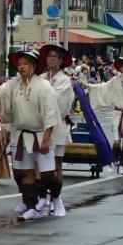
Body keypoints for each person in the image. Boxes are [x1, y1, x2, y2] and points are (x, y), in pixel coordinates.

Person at [0, 50, 60, 221]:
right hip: (20, 135)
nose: (21, 67)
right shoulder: (14, 84)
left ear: (34, 66)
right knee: (23, 173)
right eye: (19, 64)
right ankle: (30, 206)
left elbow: (51, 113)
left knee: (48, 175)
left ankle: (56, 198)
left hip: (41, 134)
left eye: (25, 64)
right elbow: (2, 92)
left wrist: (46, 138)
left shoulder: (44, 86)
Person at [37, 43, 75, 217]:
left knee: (56, 166)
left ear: (60, 61)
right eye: (49, 55)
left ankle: (56, 198)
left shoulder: (64, 80)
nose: (51, 58)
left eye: (55, 56)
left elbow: (59, 103)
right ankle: (42, 197)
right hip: (39, 126)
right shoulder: (40, 77)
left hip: (57, 127)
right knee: (39, 166)